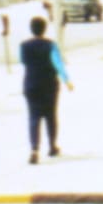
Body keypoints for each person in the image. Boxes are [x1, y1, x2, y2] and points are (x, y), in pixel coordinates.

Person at [19, 15, 74, 163]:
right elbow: (58, 63)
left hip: (31, 84)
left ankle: (34, 149)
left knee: (33, 117)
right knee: (51, 116)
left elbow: (23, 61)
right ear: (45, 29)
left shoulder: (24, 46)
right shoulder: (50, 45)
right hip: (49, 84)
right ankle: (52, 146)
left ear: (31, 29)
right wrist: (66, 80)